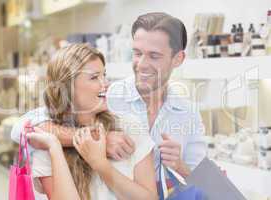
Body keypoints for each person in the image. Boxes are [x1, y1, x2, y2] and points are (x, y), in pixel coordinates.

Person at [12, 12, 206, 188]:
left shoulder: (188, 112)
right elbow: (23, 128)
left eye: (154, 56)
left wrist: (179, 165)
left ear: (178, 59)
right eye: (137, 53)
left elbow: (204, 184)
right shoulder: (104, 97)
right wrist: (97, 139)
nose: (142, 64)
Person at [16, 43, 157, 200]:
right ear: (67, 88)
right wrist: (55, 146)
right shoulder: (47, 144)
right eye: (94, 77)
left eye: (104, 75)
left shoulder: (129, 127)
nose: (106, 83)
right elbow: (21, 127)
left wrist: (100, 164)